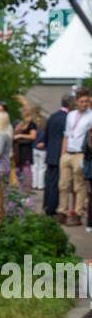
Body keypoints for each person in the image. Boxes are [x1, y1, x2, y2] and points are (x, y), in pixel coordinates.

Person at [58, 88, 92, 225]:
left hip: (80, 154)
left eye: (87, 101)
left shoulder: (91, 115)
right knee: (63, 185)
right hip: (68, 153)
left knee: (79, 186)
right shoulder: (70, 115)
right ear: (76, 102)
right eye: (82, 101)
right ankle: (62, 211)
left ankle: (77, 214)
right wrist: (63, 154)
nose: (84, 104)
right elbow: (66, 134)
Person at [37, 95, 71, 218]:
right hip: (60, 154)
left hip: (50, 153)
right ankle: (51, 208)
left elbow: (46, 136)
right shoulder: (68, 118)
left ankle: (46, 205)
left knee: (49, 181)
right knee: (57, 182)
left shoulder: (52, 116)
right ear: (70, 104)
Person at [12, 98, 38, 189]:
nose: (24, 112)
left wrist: (20, 136)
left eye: (26, 110)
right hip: (18, 150)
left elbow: (33, 136)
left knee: (26, 170)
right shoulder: (21, 123)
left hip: (26, 150)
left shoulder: (32, 124)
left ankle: (27, 189)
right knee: (18, 170)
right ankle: (19, 190)